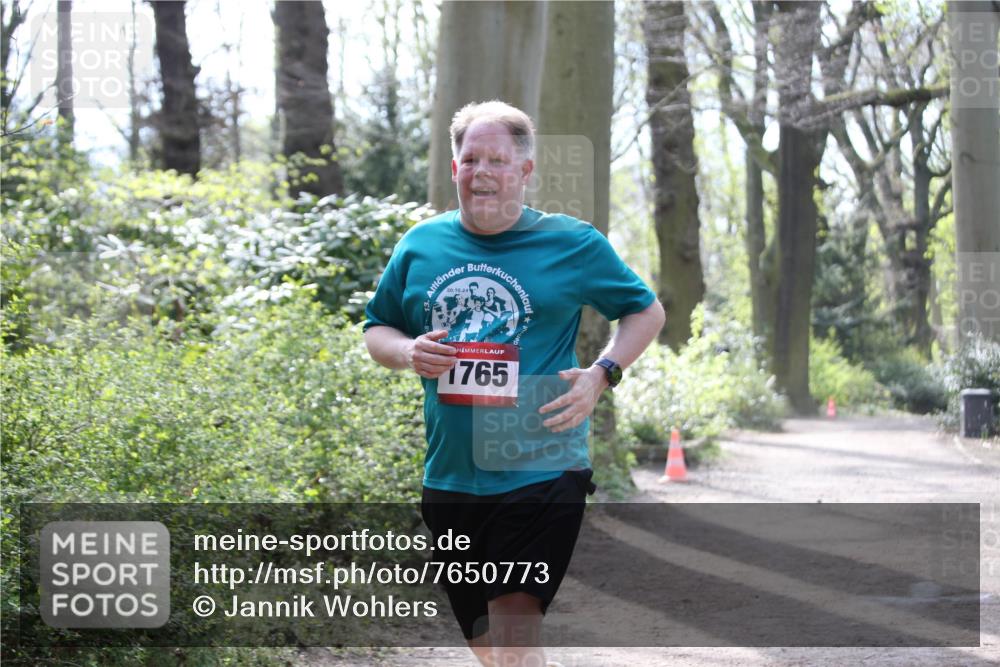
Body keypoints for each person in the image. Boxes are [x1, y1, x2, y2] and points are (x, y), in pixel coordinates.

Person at [363, 100, 664, 667]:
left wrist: (602, 375)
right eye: (470, 159)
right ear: (454, 170)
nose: (481, 172)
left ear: (524, 171)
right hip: (450, 475)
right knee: (487, 644)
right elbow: (377, 327)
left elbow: (645, 311)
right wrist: (407, 351)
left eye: (497, 160)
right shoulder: (420, 246)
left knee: (514, 633)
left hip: (542, 466)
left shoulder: (572, 243)